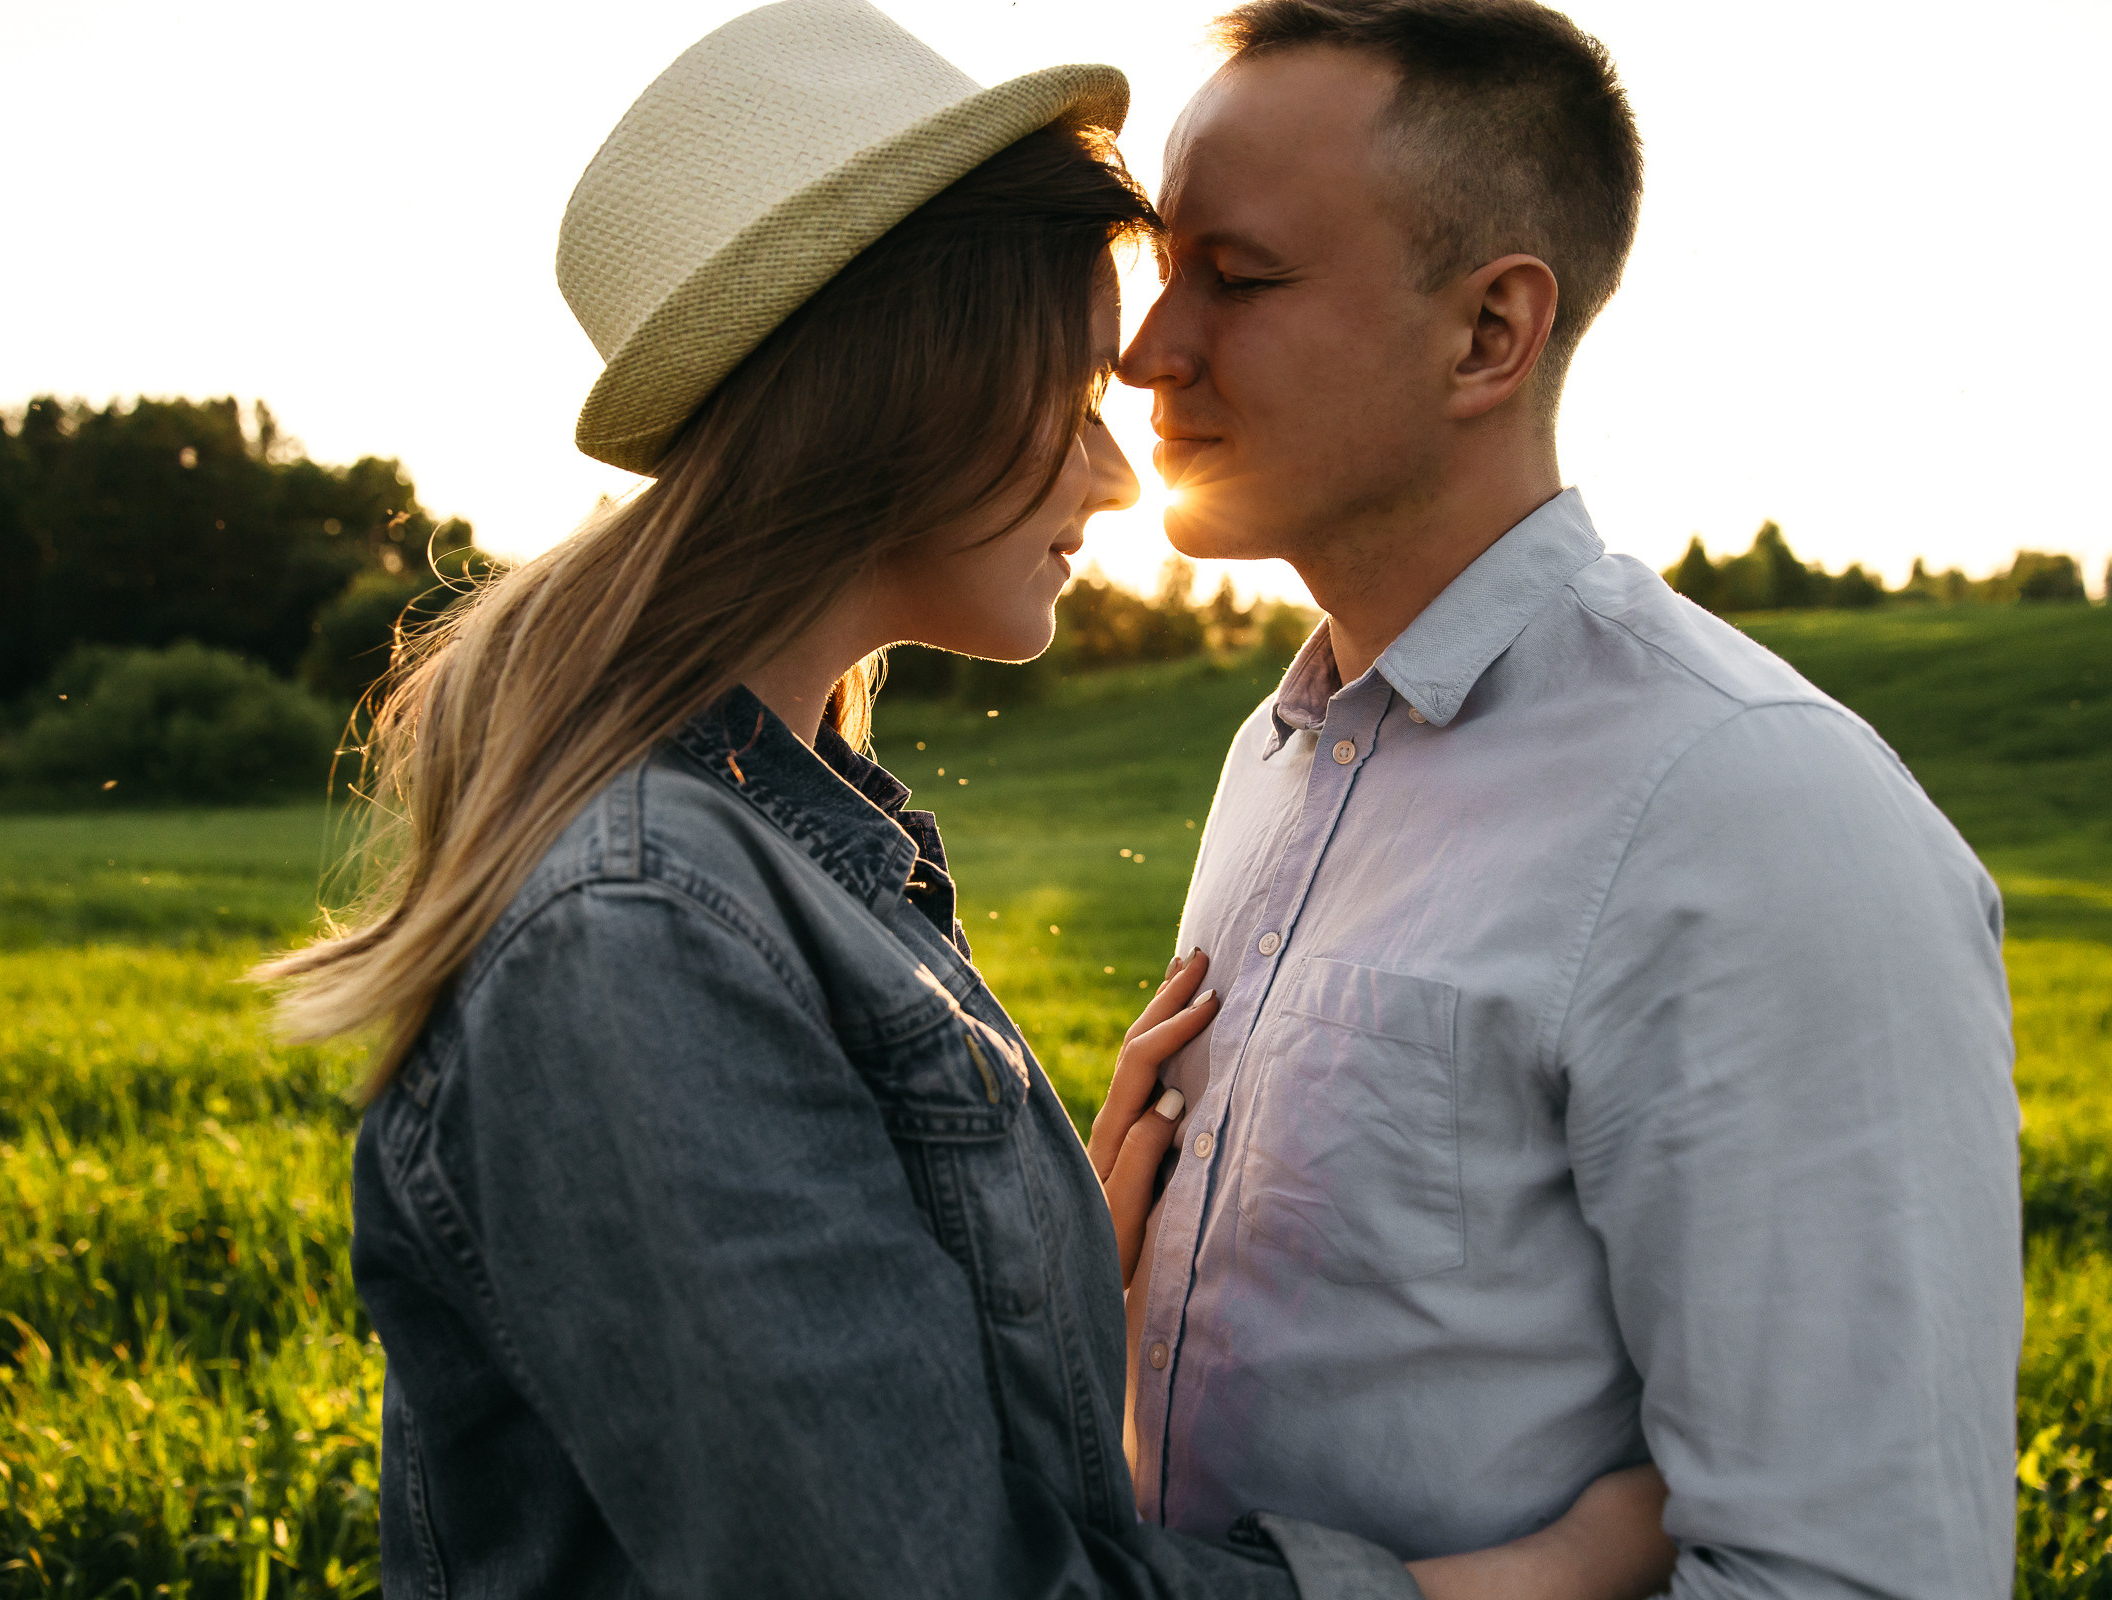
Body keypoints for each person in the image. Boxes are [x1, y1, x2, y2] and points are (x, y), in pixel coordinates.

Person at [255, 2, 1678, 1595]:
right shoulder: (636, 931)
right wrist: (1523, 1582)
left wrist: (1047, 1256)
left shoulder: (774, 850)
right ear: (911, 392)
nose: (1124, 467)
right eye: (1077, 389)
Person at [1103, 1, 2025, 1595]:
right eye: (1161, 269)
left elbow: (1853, 1574)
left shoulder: (1751, 816)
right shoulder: (1283, 756)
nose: (1147, 349)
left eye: (1234, 278)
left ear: (1488, 333)